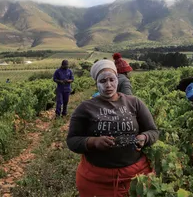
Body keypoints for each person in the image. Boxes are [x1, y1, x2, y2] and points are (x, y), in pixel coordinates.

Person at [67, 59, 159, 197]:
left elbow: (153, 131)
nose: (108, 85)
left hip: (136, 178)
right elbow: (72, 140)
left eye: (112, 79)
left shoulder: (134, 102)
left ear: (117, 79)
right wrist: (94, 142)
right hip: (96, 181)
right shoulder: (85, 108)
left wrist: (144, 138)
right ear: (96, 84)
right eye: (103, 81)